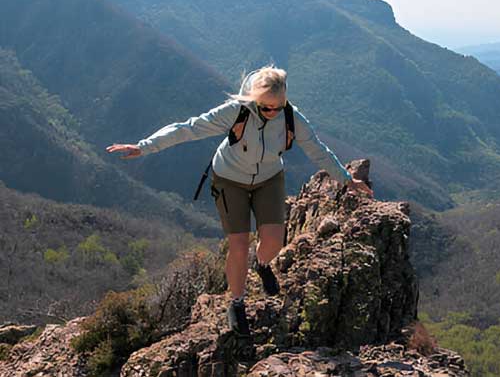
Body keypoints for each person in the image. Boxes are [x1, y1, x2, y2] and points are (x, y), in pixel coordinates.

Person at [106, 65, 373, 337]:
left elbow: (318, 151)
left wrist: (347, 179)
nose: (271, 113)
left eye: (277, 107)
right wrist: (145, 146)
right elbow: (189, 129)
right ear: (254, 100)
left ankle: (263, 265)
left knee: (273, 241)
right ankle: (237, 303)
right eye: (265, 107)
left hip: (269, 178)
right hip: (229, 179)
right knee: (239, 243)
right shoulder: (236, 112)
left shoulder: (292, 119)